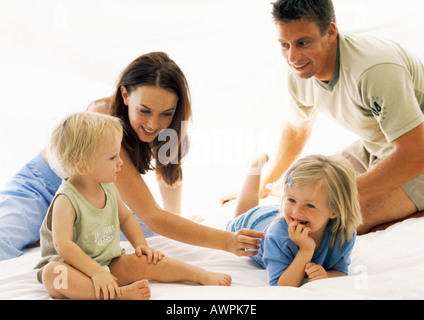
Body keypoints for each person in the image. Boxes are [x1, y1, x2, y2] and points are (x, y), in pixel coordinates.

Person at [0, 51, 264, 260]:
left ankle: (55, 232)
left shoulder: (171, 128)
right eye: (145, 111)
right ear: (125, 95)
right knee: (3, 245)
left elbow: (168, 180)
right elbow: (153, 216)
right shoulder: (104, 118)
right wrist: (227, 242)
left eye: (166, 113)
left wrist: (177, 218)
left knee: (155, 233)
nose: (154, 125)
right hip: (42, 187)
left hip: (92, 201)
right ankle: (47, 231)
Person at [256, 0, 424, 234]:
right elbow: (296, 130)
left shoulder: (374, 71)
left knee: (334, 222)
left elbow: (415, 155)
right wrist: (262, 186)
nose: (292, 57)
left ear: (331, 32)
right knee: (297, 191)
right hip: (376, 146)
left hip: (417, 154)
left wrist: (339, 195)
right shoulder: (300, 69)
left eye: (303, 43)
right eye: (285, 44)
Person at [34, 112, 232, 300]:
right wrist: (95, 273)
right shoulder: (66, 200)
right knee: (55, 275)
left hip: (108, 261)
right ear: (83, 166)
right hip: (73, 267)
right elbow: (63, 246)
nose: (121, 163)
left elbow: (126, 218)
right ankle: (117, 295)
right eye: (112, 158)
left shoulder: (108, 186)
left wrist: (141, 245)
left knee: (146, 261)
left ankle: (199, 275)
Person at [227, 153, 362, 287]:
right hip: (256, 222)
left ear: (335, 210)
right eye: (291, 199)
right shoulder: (277, 236)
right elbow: (282, 286)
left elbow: (340, 271)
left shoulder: (344, 235)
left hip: (278, 215)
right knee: (241, 215)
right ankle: (254, 168)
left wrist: (325, 275)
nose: (297, 211)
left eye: (310, 205)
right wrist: (305, 250)